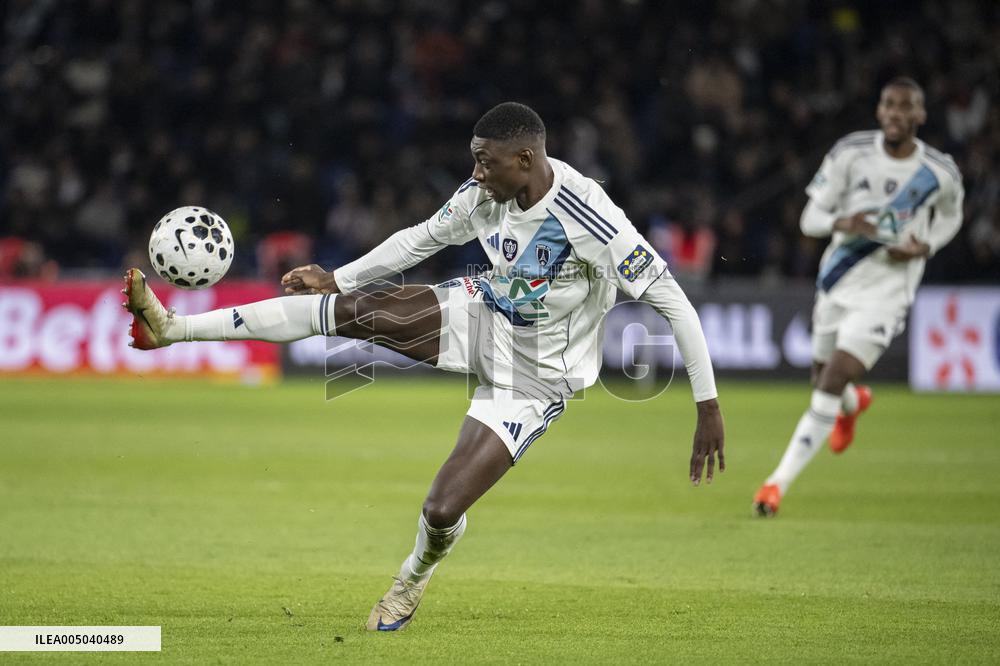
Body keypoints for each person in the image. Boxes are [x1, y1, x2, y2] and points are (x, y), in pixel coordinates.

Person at [123, 102, 725, 630]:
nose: (474, 172)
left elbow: (672, 300)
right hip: (481, 313)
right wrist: (338, 276)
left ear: (524, 158)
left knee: (441, 511)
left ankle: (413, 574)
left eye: (485, 162)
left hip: (540, 376)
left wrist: (707, 406)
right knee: (342, 312)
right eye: (474, 160)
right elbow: (417, 240)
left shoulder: (588, 214)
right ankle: (174, 329)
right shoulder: (481, 196)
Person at [753, 78, 964, 517]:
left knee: (831, 378)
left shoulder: (939, 173)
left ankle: (774, 486)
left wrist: (926, 246)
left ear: (920, 115)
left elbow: (951, 217)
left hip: (888, 291)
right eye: (889, 105)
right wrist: (847, 222)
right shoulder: (851, 152)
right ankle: (853, 404)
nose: (896, 114)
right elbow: (810, 219)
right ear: (878, 110)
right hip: (838, 280)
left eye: (906, 107)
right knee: (822, 379)